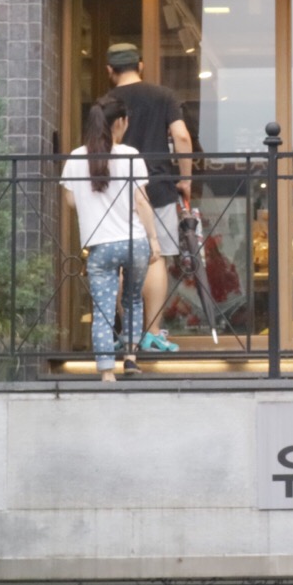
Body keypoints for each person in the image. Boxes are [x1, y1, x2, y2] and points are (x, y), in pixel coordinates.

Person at [98, 43, 194, 354]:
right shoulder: (163, 95)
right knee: (156, 257)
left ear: (109, 70)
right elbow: (181, 136)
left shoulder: (105, 103)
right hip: (158, 187)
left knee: (120, 260)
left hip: (116, 191)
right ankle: (152, 332)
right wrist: (185, 179)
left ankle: (130, 334)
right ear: (140, 65)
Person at [60, 100, 159, 383]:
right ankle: (130, 358)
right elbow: (141, 201)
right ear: (120, 122)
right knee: (133, 300)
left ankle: (106, 372)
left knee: (103, 309)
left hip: (100, 245)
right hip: (134, 241)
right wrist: (153, 239)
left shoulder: (76, 158)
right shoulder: (130, 155)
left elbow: (70, 201)